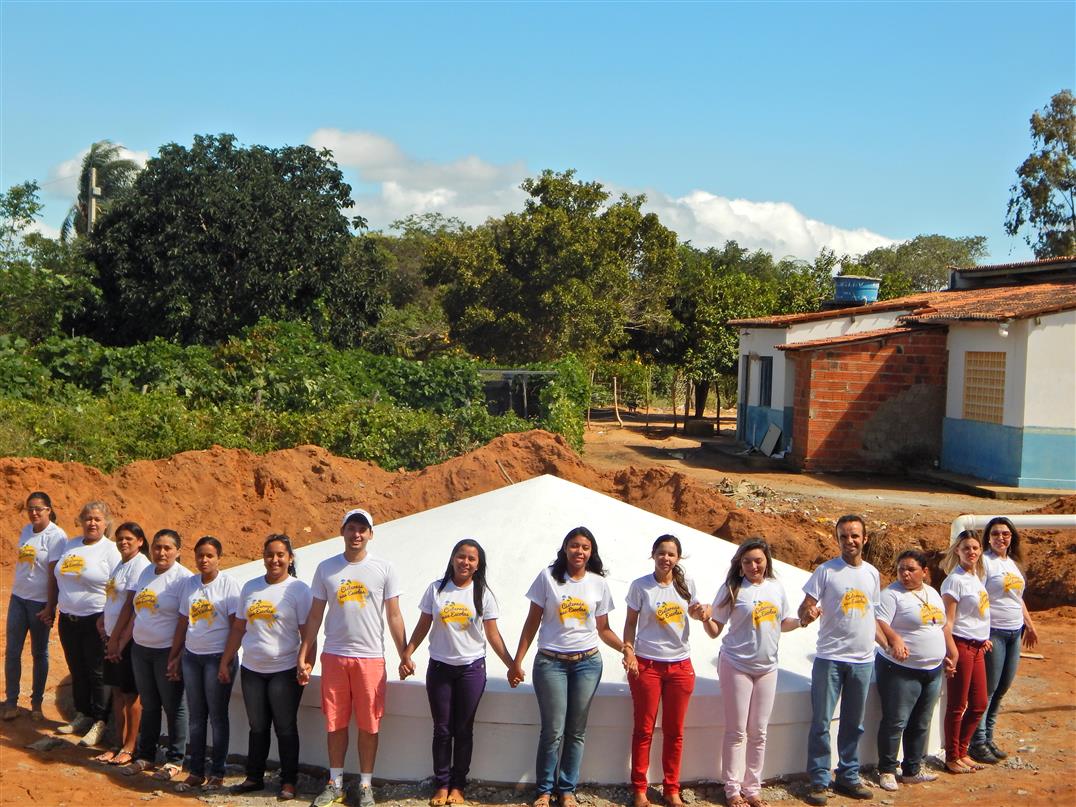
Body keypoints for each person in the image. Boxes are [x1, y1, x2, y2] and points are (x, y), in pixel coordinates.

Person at [508, 527, 633, 807]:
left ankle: (566, 790)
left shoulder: (598, 583)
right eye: (575, 546)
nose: (580, 551)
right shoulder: (547, 578)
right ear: (565, 548)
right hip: (551, 663)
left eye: (585, 547)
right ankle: (543, 790)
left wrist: (625, 647)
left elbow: (604, 629)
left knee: (576, 730)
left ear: (592, 552)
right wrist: (517, 661)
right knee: (553, 730)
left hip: (587, 664)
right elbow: (531, 622)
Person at [298, 508, 408, 807]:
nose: (356, 534)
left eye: (363, 529)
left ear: (370, 534)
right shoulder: (326, 568)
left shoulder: (384, 568)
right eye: (351, 528)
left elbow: (394, 614)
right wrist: (304, 653)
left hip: (370, 658)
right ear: (342, 531)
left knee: (369, 725)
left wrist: (405, 653)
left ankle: (364, 785)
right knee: (335, 723)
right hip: (334, 655)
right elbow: (315, 614)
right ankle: (334, 783)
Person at [398, 539, 515, 807]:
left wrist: (511, 663)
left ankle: (458, 786)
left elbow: (493, 635)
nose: (465, 562)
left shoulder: (483, 593)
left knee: (463, 729)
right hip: (439, 667)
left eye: (472, 559)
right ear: (452, 558)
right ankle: (441, 784)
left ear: (478, 565)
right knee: (441, 730)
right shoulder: (436, 589)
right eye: (461, 556)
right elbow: (423, 624)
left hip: (471, 669)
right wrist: (407, 652)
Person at [703, 539, 799, 807]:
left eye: (758, 560)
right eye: (747, 562)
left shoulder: (776, 588)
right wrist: (704, 618)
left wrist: (804, 620)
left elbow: (783, 622)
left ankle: (753, 787)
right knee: (736, 731)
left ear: (767, 560)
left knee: (759, 731)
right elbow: (714, 630)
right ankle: (732, 789)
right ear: (740, 565)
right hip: (736, 665)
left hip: (768, 667)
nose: (753, 566)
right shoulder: (732, 589)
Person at [222, 534, 314, 801]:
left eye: (280, 555)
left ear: (290, 558)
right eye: (269, 555)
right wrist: (226, 660)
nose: (274, 560)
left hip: (284, 669)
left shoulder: (299, 590)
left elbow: (308, 633)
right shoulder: (250, 587)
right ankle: (254, 777)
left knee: (285, 726)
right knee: (257, 725)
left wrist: (308, 663)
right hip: (252, 669)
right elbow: (239, 627)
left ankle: (288, 781)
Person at [798, 515, 880, 806]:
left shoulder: (872, 574)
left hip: (863, 661)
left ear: (865, 538)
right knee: (821, 721)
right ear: (838, 540)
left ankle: (848, 776)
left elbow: (874, 616)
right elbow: (805, 607)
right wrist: (807, 615)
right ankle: (819, 781)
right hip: (830, 659)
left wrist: (891, 642)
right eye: (844, 537)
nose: (850, 541)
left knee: (853, 723)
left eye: (855, 536)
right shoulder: (826, 572)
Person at [622, 535, 701, 807]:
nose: (666, 558)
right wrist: (628, 651)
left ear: (678, 558)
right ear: (653, 554)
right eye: (661, 553)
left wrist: (704, 613)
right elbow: (630, 623)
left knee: (674, 731)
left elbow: (696, 613)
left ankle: (671, 788)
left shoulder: (686, 584)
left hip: (680, 665)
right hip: (647, 665)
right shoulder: (640, 586)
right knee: (644, 729)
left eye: (671, 554)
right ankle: (640, 789)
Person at [873, 549, 958, 792]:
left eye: (911, 569)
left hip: (931, 670)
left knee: (921, 721)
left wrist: (951, 652)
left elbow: (941, 625)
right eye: (901, 569)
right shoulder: (891, 595)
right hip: (901, 669)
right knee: (896, 720)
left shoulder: (931, 592)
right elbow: (880, 621)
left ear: (924, 572)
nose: (905, 574)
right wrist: (895, 640)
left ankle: (912, 769)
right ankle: (887, 769)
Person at [115, 529, 191, 781]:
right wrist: (123, 640)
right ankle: (146, 755)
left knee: (173, 706)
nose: (161, 552)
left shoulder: (183, 579)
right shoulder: (147, 572)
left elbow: (186, 621)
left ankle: (174, 760)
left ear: (178, 551)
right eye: (158, 547)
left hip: (166, 651)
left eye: (168, 548)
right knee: (149, 704)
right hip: (141, 650)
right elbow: (137, 610)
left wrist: (177, 655)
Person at [166, 536, 241, 792]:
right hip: (192, 657)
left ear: (219, 557)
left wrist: (226, 661)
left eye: (209, 555)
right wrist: (175, 656)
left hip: (217, 658)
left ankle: (217, 773)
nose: (204, 560)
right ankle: (196, 771)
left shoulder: (229, 585)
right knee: (197, 717)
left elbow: (236, 627)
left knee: (217, 717)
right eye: (200, 555)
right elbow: (182, 623)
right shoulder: (189, 584)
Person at [969, 517, 1039, 764]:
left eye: (1006, 534)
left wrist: (1029, 626)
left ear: (1012, 537)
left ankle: (989, 736)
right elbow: (977, 597)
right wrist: (981, 632)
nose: (1001, 538)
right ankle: (977, 742)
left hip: (1014, 632)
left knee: (1002, 688)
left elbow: (1017, 598)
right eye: (996, 533)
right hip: (994, 632)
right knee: (987, 690)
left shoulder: (1013, 564)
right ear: (988, 537)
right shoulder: (985, 563)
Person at [54, 500, 121, 745]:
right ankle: (83, 714)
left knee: (97, 672)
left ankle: (100, 721)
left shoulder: (111, 550)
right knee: (77, 668)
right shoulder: (70, 545)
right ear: (81, 521)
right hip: (68, 618)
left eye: (97, 519)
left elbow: (118, 587)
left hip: (96, 620)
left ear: (106, 523)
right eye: (88, 518)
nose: (92, 523)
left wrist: (109, 618)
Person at [4, 491, 67, 721]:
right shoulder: (25, 531)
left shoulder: (57, 536)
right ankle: (11, 702)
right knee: (12, 651)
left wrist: (51, 606)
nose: (34, 513)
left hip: (40, 602)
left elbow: (54, 575)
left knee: (39, 652)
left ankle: (37, 703)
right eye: (30, 508)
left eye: (38, 508)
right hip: (18, 598)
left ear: (49, 510)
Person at [94, 521, 151, 766]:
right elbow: (114, 600)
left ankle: (130, 746)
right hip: (112, 639)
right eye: (120, 538)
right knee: (117, 692)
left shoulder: (140, 566)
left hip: (125, 641)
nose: (123, 542)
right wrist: (102, 622)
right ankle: (117, 743)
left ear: (140, 541)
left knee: (131, 696)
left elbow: (131, 608)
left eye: (129, 538)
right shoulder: (121, 564)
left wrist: (118, 640)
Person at [940, 529, 992, 774]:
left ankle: (962, 750)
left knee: (980, 703)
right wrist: (951, 652)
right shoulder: (954, 580)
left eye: (975, 548)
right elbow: (947, 622)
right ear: (957, 551)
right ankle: (951, 756)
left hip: (978, 647)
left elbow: (977, 615)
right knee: (957, 704)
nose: (971, 552)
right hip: (961, 645)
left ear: (980, 551)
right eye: (966, 548)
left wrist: (984, 637)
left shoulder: (976, 577)